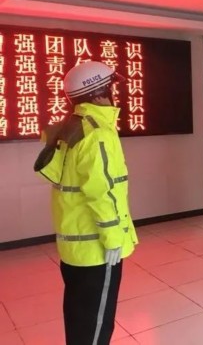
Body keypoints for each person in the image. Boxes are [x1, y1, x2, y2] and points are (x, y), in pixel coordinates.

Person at [33, 61, 138, 345]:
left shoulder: (71, 128)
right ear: (99, 94)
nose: (114, 95)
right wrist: (114, 238)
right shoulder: (98, 134)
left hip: (75, 247)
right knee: (96, 326)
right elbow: (102, 192)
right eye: (111, 88)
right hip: (97, 249)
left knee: (79, 319)